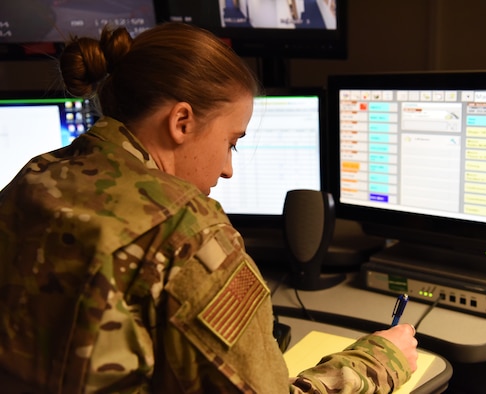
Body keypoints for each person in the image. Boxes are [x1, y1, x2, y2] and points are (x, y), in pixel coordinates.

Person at [0, 22, 418, 393]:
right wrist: (378, 361)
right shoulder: (187, 230)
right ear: (181, 122)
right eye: (231, 142)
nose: (229, 169)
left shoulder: (32, 178)